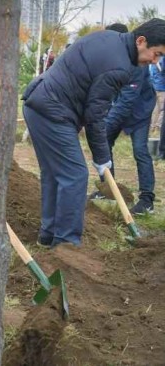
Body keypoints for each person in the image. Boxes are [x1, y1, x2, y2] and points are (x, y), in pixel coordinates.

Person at [22, 18, 165, 248]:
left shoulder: (109, 39)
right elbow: (95, 115)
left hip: (40, 103)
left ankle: (48, 237)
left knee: (54, 173)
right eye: (156, 54)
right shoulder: (120, 66)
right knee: (75, 175)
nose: (154, 61)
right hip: (52, 111)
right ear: (141, 41)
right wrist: (102, 158)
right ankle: (66, 246)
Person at [88, 23, 157, 215]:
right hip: (120, 107)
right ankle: (109, 189)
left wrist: (105, 127)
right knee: (104, 144)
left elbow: (127, 100)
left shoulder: (137, 62)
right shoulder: (114, 57)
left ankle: (147, 199)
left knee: (140, 151)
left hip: (139, 112)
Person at [150, 56, 165, 137]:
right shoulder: (162, 59)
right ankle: (158, 127)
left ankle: (152, 126)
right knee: (163, 109)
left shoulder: (154, 58)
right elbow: (163, 71)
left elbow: (151, 74)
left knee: (156, 108)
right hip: (162, 87)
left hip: (155, 86)